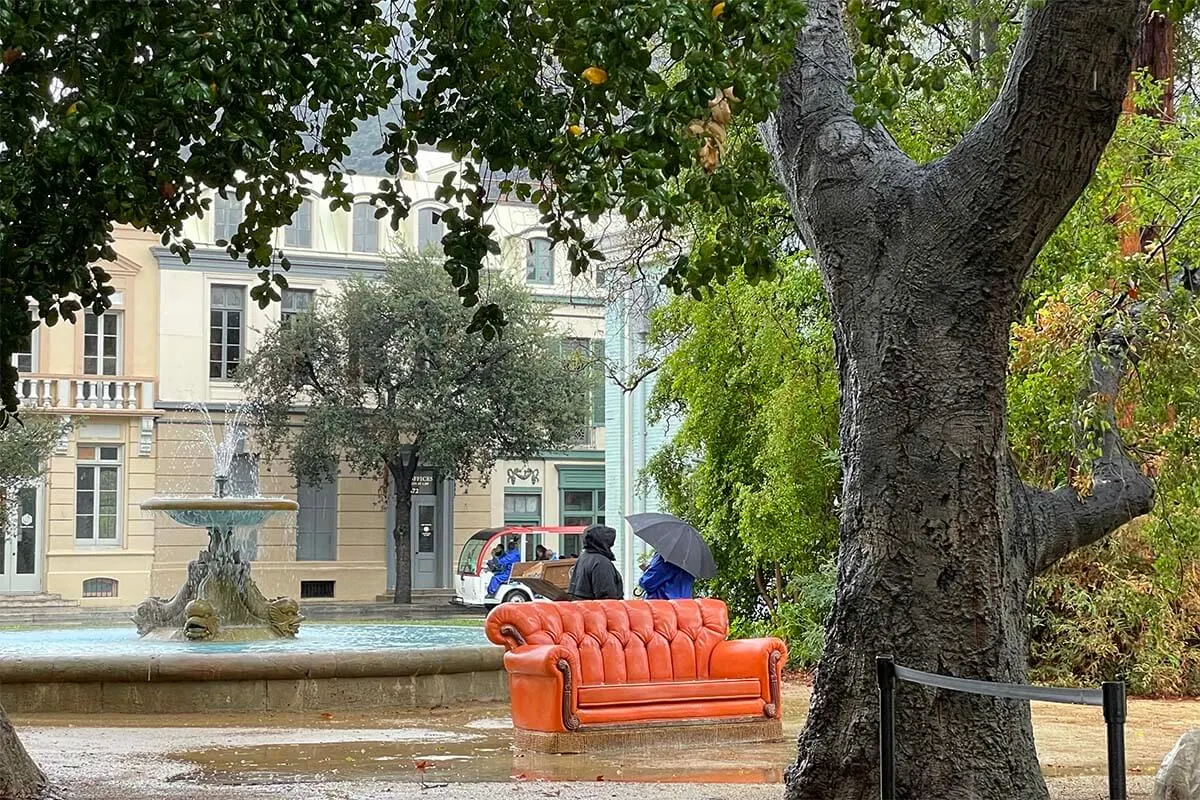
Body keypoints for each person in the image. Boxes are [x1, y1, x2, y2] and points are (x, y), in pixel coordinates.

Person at [567, 524, 624, 600]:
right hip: (598, 610)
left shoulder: (583, 558)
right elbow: (607, 597)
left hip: (582, 608)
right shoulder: (601, 562)